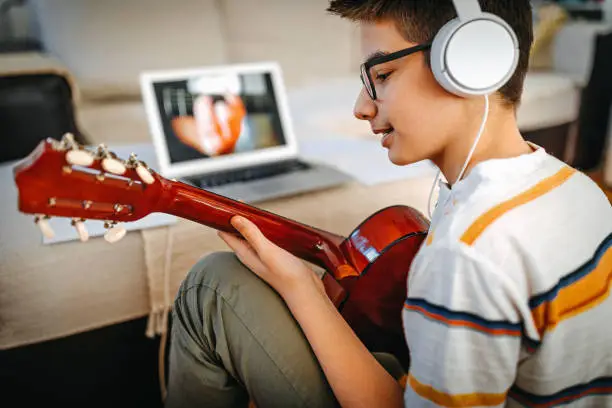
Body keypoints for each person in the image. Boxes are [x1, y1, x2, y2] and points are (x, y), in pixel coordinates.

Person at [165, 1, 612, 407]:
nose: (362, 107)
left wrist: (300, 287)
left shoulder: (468, 251)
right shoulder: (580, 189)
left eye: (382, 76)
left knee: (212, 285)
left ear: (471, 63)